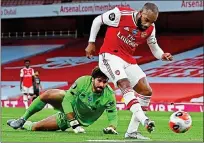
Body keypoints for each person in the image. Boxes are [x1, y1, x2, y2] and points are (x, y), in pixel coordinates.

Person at [85, 3, 173, 139]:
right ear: (140, 12)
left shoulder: (151, 28)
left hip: (127, 59)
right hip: (109, 56)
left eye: (152, 22)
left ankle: (132, 132)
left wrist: (162, 55)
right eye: (146, 20)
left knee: (146, 91)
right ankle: (145, 120)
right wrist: (91, 42)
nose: (148, 24)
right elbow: (98, 20)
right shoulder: (120, 14)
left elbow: (154, 47)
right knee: (124, 84)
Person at [7, 67, 118, 134]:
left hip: (74, 118)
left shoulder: (109, 95)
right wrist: (74, 124)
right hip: (70, 107)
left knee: (36, 127)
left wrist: (111, 127)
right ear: (92, 78)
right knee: (48, 94)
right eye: (99, 81)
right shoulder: (83, 82)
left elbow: (113, 115)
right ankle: (22, 119)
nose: (102, 85)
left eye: (105, 82)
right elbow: (67, 100)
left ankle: (24, 125)